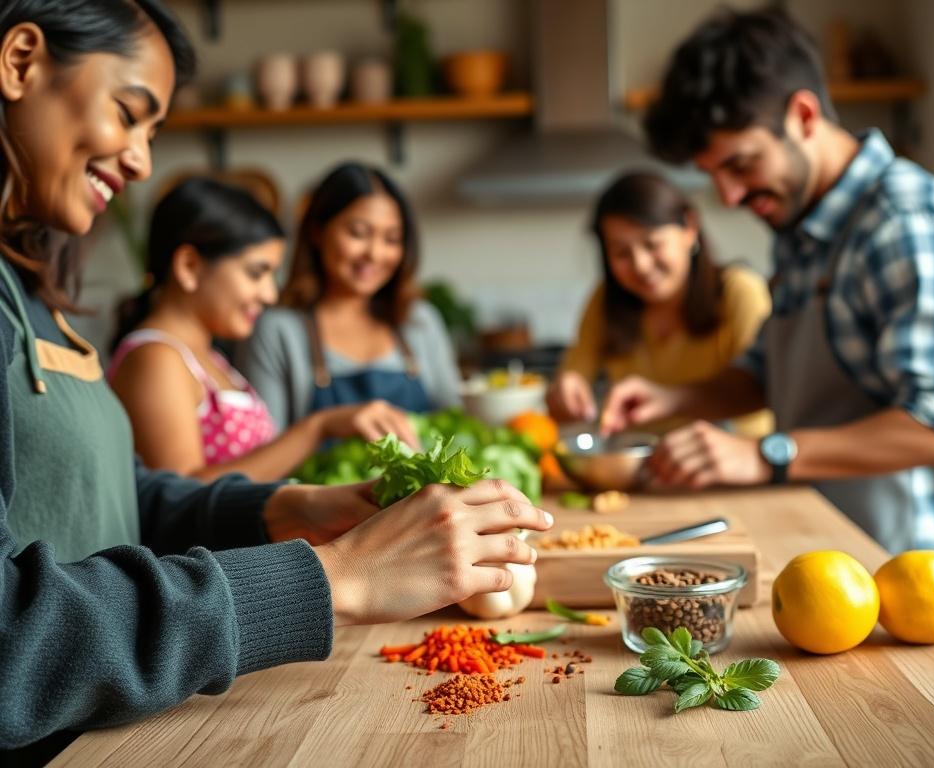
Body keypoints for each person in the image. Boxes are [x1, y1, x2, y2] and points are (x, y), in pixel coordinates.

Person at [0, 0, 551, 756]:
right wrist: (333, 578)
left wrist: (285, 510)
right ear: (19, 60)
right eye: (130, 114)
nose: (141, 161)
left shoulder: (29, 300)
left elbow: (118, 501)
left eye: (152, 133)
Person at [600, 7, 934, 644]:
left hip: (915, 594)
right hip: (834, 567)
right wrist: (673, 400)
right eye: (712, 176)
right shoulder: (803, 226)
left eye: (740, 164)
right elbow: (768, 371)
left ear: (804, 116)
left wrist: (765, 454)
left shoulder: (905, 224)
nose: (728, 197)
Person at [107, 177, 418, 482]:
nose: (270, 294)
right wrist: (318, 427)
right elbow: (178, 500)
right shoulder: (155, 360)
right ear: (189, 266)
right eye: (257, 273)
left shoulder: (208, 359)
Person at [547, 170, 772, 438]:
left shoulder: (740, 291)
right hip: (641, 467)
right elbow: (573, 376)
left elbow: (764, 387)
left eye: (652, 244)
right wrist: (566, 391)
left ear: (690, 228)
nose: (641, 266)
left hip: (735, 459)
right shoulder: (605, 300)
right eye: (621, 253)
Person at [238, 162, 462, 431]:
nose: (375, 254)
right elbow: (265, 455)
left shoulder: (420, 320)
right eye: (358, 233)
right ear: (317, 231)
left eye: (391, 239)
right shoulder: (276, 330)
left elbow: (455, 424)